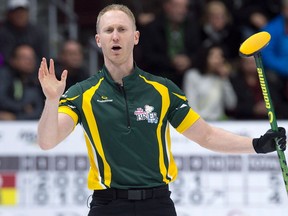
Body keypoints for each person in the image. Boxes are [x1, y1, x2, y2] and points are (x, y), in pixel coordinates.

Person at [37, 4, 286, 216]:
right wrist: (51, 101)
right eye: (109, 30)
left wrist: (256, 145)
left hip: (157, 204)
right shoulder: (82, 93)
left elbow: (206, 135)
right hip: (107, 205)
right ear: (98, 39)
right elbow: (47, 142)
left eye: (122, 29)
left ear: (135, 37)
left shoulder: (162, 90)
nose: (115, 36)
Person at [139, 0, 201, 89]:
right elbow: (148, 56)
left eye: (185, 7)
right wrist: (171, 61)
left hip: (187, 75)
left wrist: (189, 60)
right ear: (167, 7)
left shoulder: (192, 26)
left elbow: (199, 52)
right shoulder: (152, 28)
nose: (183, 11)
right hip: (160, 74)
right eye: (178, 6)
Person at [183, 44, 237, 121]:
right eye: (215, 57)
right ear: (205, 57)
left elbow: (231, 104)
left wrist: (225, 79)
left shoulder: (222, 78)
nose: (218, 60)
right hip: (199, 123)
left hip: (219, 123)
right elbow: (191, 104)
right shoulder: (192, 75)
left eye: (220, 57)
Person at [0, 44, 44, 120]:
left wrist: (15, 117)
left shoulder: (36, 80)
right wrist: (23, 107)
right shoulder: (4, 75)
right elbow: (2, 100)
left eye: (32, 58)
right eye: (25, 58)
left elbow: (38, 110)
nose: (29, 61)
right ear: (13, 60)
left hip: (22, 124)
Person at [0, 0, 48, 65]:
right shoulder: (2, 31)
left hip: (34, 67)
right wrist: (16, 62)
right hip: (9, 68)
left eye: (23, 12)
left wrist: (30, 62)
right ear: (9, 14)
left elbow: (44, 56)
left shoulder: (37, 32)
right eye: (16, 12)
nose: (20, 15)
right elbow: (2, 58)